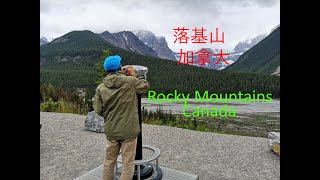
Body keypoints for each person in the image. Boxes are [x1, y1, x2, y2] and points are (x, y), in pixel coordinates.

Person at [93, 55, 150, 180]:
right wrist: (134, 74)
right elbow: (145, 86)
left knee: (108, 162)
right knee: (127, 164)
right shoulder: (130, 81)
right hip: (129, 131)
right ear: (120, 67)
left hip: (111, 131)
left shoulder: (100, 87)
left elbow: (98, 109)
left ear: (106, 70)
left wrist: (110, 115)